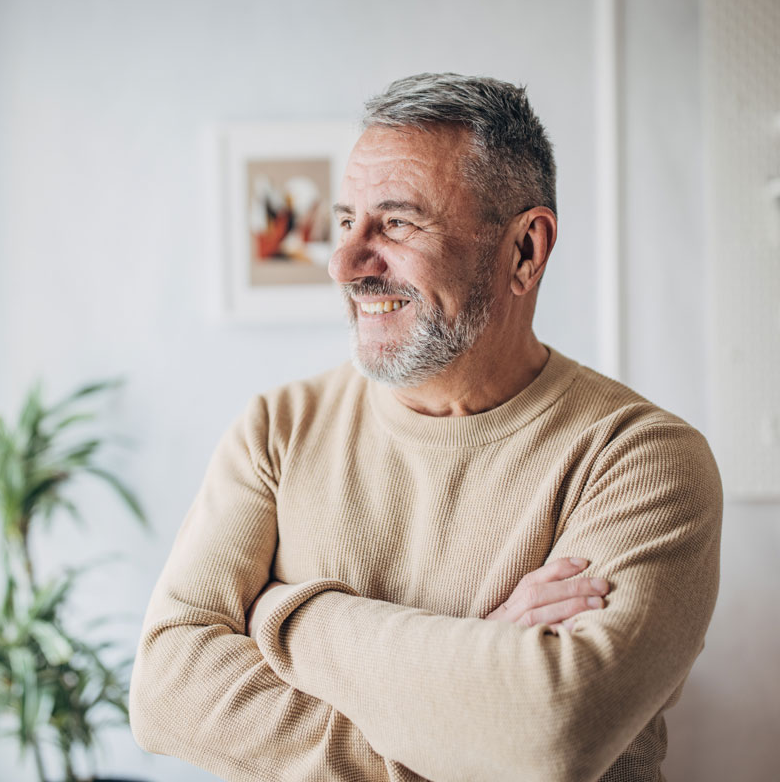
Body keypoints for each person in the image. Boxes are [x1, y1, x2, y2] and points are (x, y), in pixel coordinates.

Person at [130, 73, 722, 782]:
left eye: (398, 222)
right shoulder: (276, 430)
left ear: (525, 251)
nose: (345, 264)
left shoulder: (643, 460)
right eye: (346, 220)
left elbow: (551, 733)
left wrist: (286, 617)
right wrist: (477, 668)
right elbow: (165, 691)